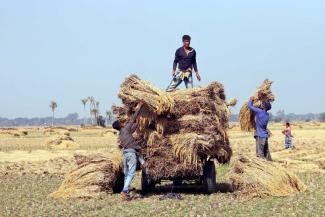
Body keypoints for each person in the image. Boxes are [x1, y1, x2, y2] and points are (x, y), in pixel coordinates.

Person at [112, 102, 145, 201]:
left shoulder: (121, 134)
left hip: (125, 154)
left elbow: (134, 126)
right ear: (121, 125)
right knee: (131, 172)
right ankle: (125, 190)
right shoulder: (125, 128)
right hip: (130, 154)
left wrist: (138, 123)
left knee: (127, 173)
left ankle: (126, 191)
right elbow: (133, 118)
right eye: (121, 122)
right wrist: (139, 107)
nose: (123, 122)